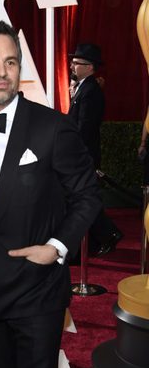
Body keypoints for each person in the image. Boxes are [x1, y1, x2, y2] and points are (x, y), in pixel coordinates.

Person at [0, 20, 101, 368]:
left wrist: (56, 247)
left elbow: (87, 196)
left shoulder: (53, 127)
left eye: (11, 62)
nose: (2, 73)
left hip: (38, 290)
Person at [68, 43, 123, 256]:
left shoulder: (90, 91)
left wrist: (70, 149)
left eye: (76, 63)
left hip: (84, 156)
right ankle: (96, 240)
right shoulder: (84, 88)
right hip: (82, 155)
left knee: (84, 199)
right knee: (83, 199)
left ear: (89, 67)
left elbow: (84, 128)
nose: (72, 66)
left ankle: (108, 233)